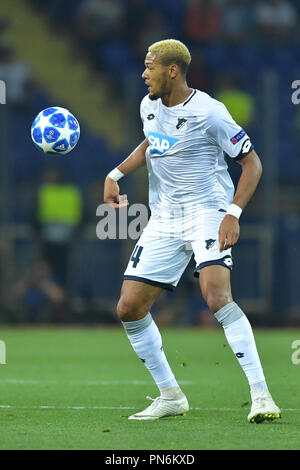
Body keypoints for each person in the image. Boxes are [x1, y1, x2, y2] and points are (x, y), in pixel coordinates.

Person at [103, 39, 281, 423]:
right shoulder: (148, 105)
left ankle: (262, 395)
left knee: (216, 295)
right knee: (129, 307)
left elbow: (253, 164)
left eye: (150, 67)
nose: (143, 73)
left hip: (207, 212)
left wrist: (232, 213)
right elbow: (153, 142)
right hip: (165, 216)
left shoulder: (210, 112)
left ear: (172, 70)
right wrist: (116, 173)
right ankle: (170, 395)